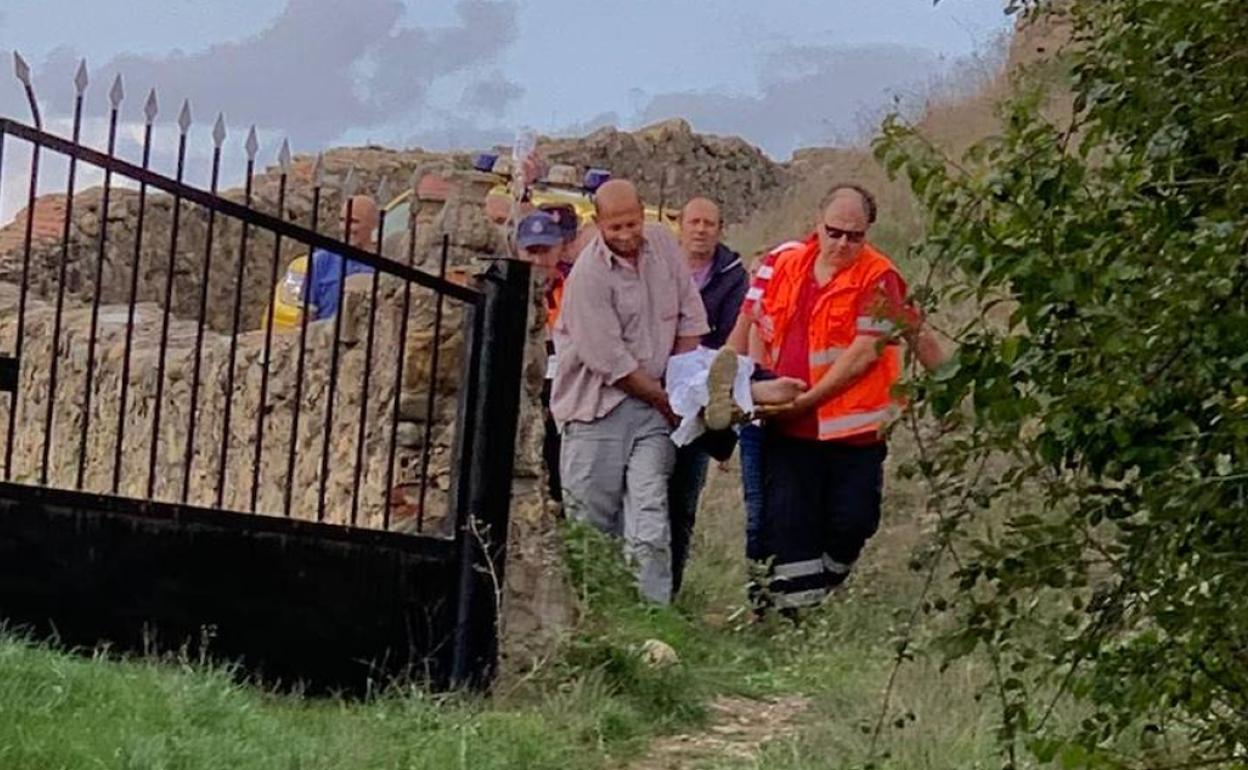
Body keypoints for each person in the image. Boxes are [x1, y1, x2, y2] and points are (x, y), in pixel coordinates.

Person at [750, 183, 944, 612]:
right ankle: (795, 621)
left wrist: (951, 388)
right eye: (834, 232)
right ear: (817, 224)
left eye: (853, 236)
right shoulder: (786, 264)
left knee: (852, 523)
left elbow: (864, 354)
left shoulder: (878, 278)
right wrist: (758, 387)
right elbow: (759, 328)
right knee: (789, 525)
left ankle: (825, 587)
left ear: (867, 233)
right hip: (788, 428)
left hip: (853, 433)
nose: (842, 244)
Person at [551, 179, 708, 605]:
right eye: (615, 227)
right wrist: (666, 399)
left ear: (645, 214)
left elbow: (690, 319)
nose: (625, 235)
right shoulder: (588, 276)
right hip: (596, 411)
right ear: (598, 223)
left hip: (654, 410)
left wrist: (680, 385)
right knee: (592, 524)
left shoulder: (662, 244)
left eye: (632, 224)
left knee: (651, 510)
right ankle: (596, 615)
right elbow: (611, 363)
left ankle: (652, 616)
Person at [666, 197, 749, 595]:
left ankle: (672, 590)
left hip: (700, 402)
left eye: (710, 224)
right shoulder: (658, 267)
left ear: (720, 230)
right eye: (694, 221)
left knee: (683, 499)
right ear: (679, 224)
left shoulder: (733, 278)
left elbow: (734, 342)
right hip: (654, 393)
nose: (701, 230)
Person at [515, 208, 579, 508]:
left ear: (561, 250)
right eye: (532, 251)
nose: (538, 261)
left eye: (546, 251)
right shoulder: (507, 290)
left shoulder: (575, 288)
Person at [306, 195, 379, 320]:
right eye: (341, 220)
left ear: (373, 225)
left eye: (353, 222)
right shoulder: (322, 260)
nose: (344, 228)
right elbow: (306, 315)